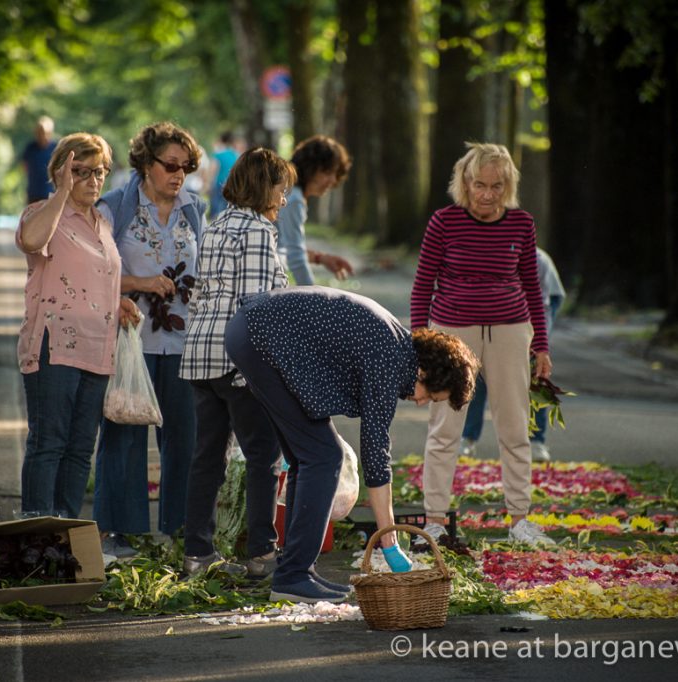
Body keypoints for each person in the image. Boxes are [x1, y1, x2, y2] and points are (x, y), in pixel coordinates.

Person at [225, 287, 477, 603]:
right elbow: (375, 452)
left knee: (311, 456)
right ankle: (293, 577)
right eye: (430, 396)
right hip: (259, 337)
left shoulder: (394, 347)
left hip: (252, 332)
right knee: (325, 456)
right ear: (425, 372)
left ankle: (297, 570)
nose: (420, 402)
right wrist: (389, 541)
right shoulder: (389, 357)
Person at [409, 142, 555, 549]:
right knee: (445, 428)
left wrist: (541, 346)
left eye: (496, 186)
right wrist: (421, 345)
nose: (487, 194)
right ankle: (435, 521)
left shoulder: (521, 224)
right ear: (465, 183)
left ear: (507, 185)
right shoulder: (443, 222)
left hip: (510, 330)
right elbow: (423, 286)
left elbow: (531, 286)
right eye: (479, 185)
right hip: (452, 331)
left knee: (514, 427)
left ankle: (521, 520)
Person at [179, 148, 297, 578]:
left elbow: (203, 294)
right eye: (281, 190)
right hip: (238, 359)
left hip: (201, 357)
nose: (284, 200)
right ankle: (263, 554)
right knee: (262, 454)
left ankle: (197, 553)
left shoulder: (216, 226)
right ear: (265, 188)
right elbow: (255, 307)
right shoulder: (258, 232)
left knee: (208, 457)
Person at [92, 122, 207, 557]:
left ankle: (178, 530)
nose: (179, 175)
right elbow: (95, 273)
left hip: (182, 344)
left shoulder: (194, 210)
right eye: (171, 165)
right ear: (145, 163)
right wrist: (139, 282)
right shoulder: (115, 208)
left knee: (185, 439)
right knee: (123, 432)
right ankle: (119, 534)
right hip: (129, 340)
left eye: (187, 168)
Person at [15, 132, 141, 519]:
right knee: (48, 443)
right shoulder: (42, 213)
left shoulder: (102, 221)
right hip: (55, 345)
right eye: (80, 171)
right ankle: (36, 532)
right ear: (59, 172)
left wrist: (117, 300)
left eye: (99, 171)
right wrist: (61, 192)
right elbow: (33, 241)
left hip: (97, 348)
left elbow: (99, 274)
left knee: (80, 447)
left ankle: (66, 533)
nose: (92, 180)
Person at [461, 247, 566, 461]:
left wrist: (536, 342)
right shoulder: (481, 257)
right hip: (494, 317)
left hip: (540, 308)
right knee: (478, 373)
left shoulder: (537, 261)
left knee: (533, 375)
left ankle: (537, 441)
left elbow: (546, 305)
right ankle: (467, 438)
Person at [275, 135, 355, 284]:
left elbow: (285, 247)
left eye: (335, 174)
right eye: (327, 172)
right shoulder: (293, 198)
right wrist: (314, 298)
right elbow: (295, 257)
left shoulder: (288, 190)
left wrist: (320, 258)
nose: (333, 181)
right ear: (309, 168)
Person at [21, 116, 58, 204]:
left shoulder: (56, 148)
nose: (42, 135)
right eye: (39, 132)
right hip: (33, 194)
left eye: (45, 132)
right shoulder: (30, 148)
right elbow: (24, 166)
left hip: (51, 194)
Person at [208, 131, 242, 219]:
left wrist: (208, 185)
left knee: (216, 212)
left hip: (219, 185)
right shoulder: (236, 155)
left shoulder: (218, 154)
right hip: (232, 186)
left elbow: (212, 170)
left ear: (221, 140)